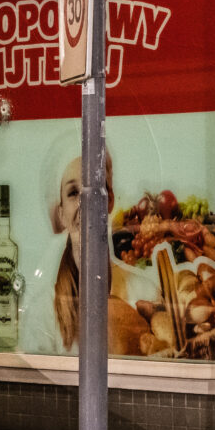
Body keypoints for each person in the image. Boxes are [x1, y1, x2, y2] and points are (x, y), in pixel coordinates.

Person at [20, 147, 159, 355]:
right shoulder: (42, 315)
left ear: (110, 201)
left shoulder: (146, 293)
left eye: (94, 190)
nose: (85, 204)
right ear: (61, 213)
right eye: (74, 193)